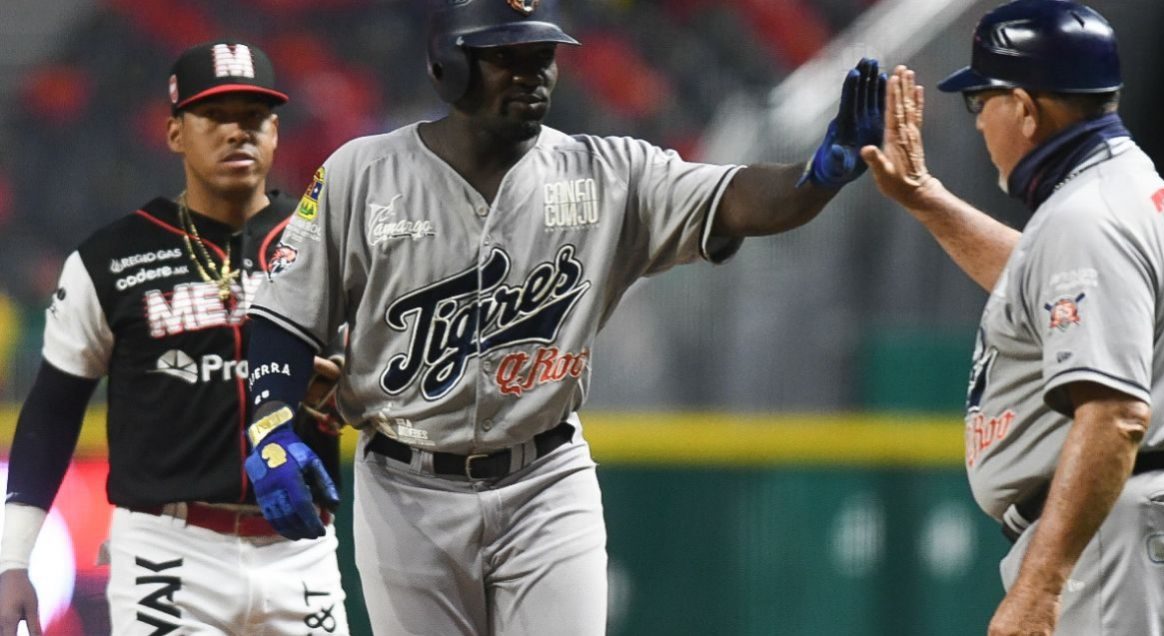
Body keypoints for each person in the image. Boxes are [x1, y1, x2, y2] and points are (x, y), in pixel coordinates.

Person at [238, 0, 886, 633]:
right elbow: (285, 315)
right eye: (506, 56)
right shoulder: (362, 173)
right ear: (448, 65)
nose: (532, 72)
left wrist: (815, 177)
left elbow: (737, 198)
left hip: (545, 482)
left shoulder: (607, 172)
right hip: (406, 489)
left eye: (542, 54)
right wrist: (272, 428)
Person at [861, 1, 1164, 634]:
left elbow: (1115, 416)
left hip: (1118, 530)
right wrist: (927, 199)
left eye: (982, 101)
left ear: (1027, 111)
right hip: (1142, 522)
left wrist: (1040, 585)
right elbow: (1040, 288)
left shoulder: (1088, 216)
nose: (979, 123)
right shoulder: (1121, 194)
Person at [0, 41, 350, 635]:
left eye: (254, 116)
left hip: (301, 545)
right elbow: (53, 414)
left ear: (275, 132)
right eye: (215, 116)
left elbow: (384, 380)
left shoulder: (328, 245)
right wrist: (12, 561)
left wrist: (349, 388)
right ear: (174, 133)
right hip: (168, 548)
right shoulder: (112, 258)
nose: (237, 132)